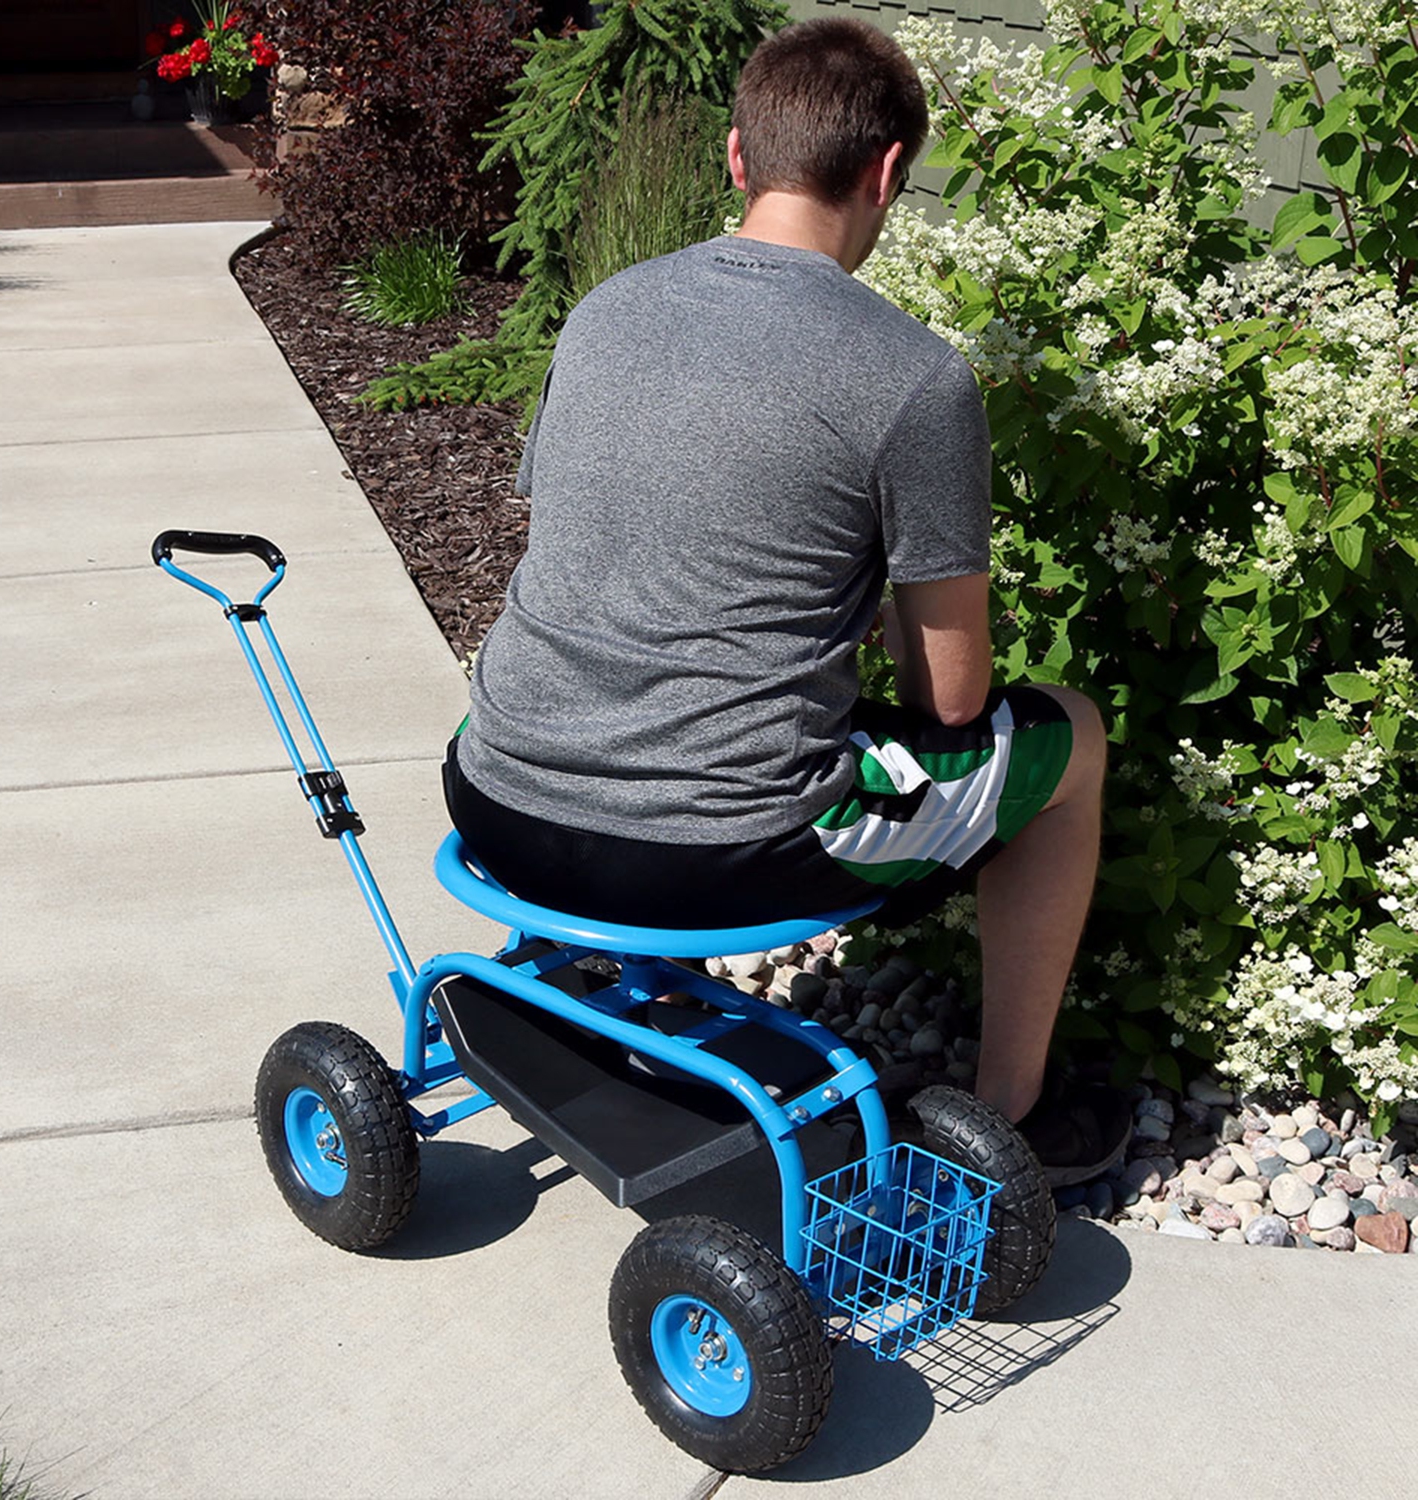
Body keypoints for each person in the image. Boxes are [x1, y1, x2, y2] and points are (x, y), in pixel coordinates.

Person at [445, 16, 1127, 1183]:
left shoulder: (605, 308)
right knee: (1073, 741)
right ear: (887, 173)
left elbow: (572, 543)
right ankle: (1013, 1111)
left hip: (496, 797)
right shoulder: (913, 375)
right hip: (716, 851)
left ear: (735, 157)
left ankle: (595, 984)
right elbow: (953, 702)